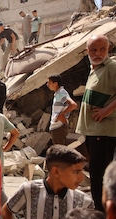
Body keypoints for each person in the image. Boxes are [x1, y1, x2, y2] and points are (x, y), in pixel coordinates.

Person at [75, 35, 116, 211]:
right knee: (96, 173)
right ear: (87, 51)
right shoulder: (95, 69)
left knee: (99, 175)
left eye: (102, 49)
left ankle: (102, 211)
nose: (97, 53)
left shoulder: (112, 67)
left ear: (108, 50)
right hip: (94, 131)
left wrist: (106, 110)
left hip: (104, 131)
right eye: (93, 50)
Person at [2, 145, 95, 219]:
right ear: (56, 172)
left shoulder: (84, 202)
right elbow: (7, 210)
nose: (82, 178)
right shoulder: (29, 190)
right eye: (76, 172)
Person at [47, 75, 77, 145]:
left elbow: (73, 105)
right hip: (56, 127)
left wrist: (61, 115)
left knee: (60, 151)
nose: (47, 84)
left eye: (49, 82)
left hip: (59, 127)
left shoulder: (61, 93)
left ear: (55, 84)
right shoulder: (58, 93)